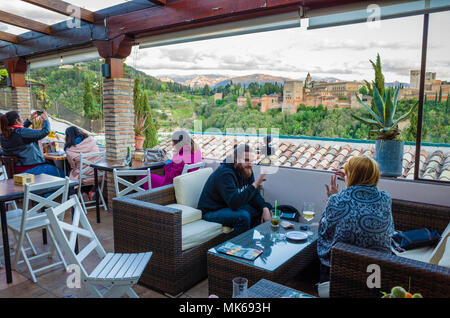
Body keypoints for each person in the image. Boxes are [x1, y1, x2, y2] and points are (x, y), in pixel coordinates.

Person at [317, 156, 394, 283]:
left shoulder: (336, 200)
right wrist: (352, 178)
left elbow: (325, 229)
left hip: (341, 265)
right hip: (378, 267)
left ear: (350, 175)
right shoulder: (385, 198)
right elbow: (389, 230)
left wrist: (332, 196)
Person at [197, 144, 272, 235]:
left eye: (252, 161)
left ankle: (251, 240)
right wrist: (255, 184)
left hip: (227, 206)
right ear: (236, 159)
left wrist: (264, 207)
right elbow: (234, 203)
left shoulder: (246, 169)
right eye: (246, 160)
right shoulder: (225, 174)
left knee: (264, 208)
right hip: (211, 211)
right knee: (243, 216)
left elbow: (253, 194)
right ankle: (239, 246)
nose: (250, 164)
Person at [0, 110, 64, 177]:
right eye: (21, 118)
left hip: (17, 170)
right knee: (61, 173)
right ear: (17, 121)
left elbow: (20, 131)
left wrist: (30, 120)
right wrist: (46, 119)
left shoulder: (4, 135)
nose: (22, 119)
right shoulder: (21, 133)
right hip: (31, 169)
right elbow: (45, 131)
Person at [64, 126, 100, 197]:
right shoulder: (91, 141)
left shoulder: (69, 150)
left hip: (85, 177)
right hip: (98, 174)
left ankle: (73, 199)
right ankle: (87, 192)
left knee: (71, 174)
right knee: (80, 173)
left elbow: (73, 167)